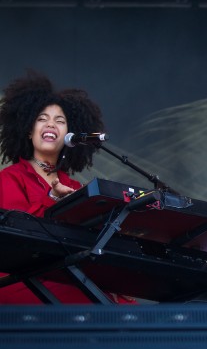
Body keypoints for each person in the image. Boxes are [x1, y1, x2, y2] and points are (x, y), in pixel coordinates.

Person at [0, 71, 134, 304]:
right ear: (29, 131)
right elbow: (17, 232)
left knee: (125, 305)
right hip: (21, 277)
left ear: (68, 136)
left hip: (64, 275)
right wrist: (52, 198)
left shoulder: (75, 187)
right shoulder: (10, 178)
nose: (51, 124)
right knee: (99, 303)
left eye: (60, 121)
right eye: (42, 118)